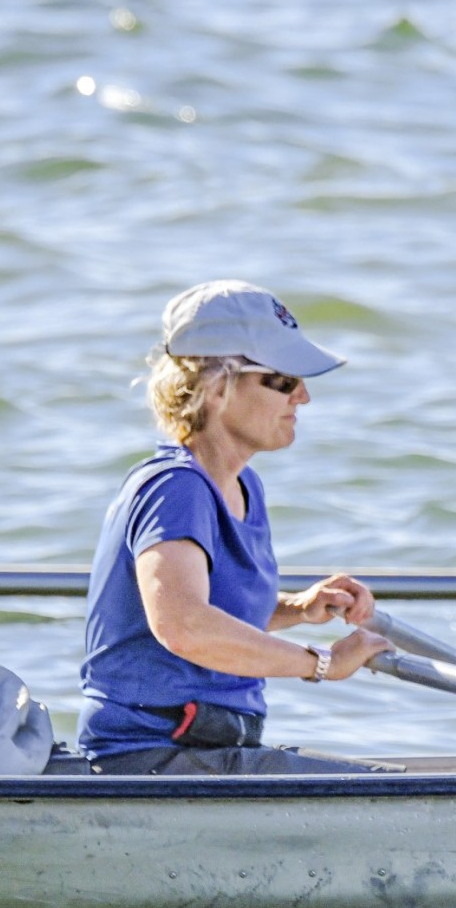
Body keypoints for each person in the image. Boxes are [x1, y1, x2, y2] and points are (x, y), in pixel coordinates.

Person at [79, 281, 393, 774]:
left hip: (213, 751)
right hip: (150, 759)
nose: (304, 396)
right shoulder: (175, 489)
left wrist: (297, 609)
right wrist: (324, 663)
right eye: (283, 380)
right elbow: (184, 626)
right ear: (216, 386)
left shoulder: (245, 486)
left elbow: (214, 612)